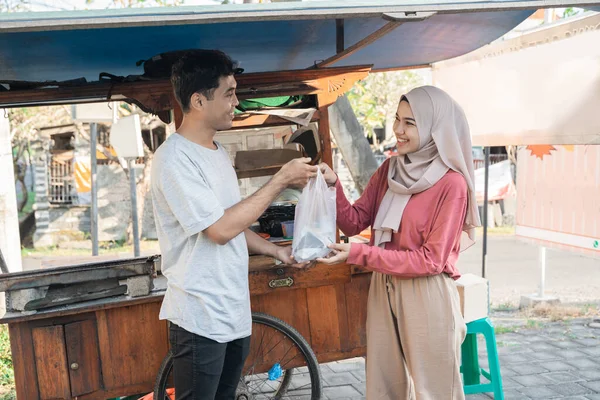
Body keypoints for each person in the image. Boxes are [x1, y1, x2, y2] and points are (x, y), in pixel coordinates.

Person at [151, 50, 318, 400]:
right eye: (229, 93)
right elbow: (219, 229)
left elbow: (231, 221)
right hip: (200, 317)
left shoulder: (216, 152)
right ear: (198, 100)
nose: (236, 102)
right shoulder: (174, 158)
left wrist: (276, 251)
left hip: (233, 310)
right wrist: (280, 180)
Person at [318, 85, 481, 399]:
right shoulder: (389, 170)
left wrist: (359, 254)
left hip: (427, 291)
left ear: (436, 127)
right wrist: (332, 185)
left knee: (436, 390)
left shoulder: (452, 184)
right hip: (384, 286)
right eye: (397, 119)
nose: (397, 130)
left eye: (410, 122)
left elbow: (430, 260)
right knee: (384, 387)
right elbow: (354, 221)